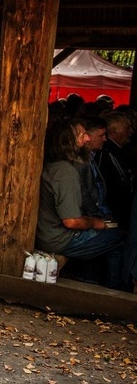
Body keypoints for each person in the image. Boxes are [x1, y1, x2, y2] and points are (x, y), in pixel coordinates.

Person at [37, 120, 125, 289]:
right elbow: (72, 221)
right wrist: (93, 222)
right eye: (82, 135)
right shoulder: (66, 172)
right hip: (58, 239)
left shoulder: (56, 164)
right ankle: (111, 292)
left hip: (48, 233)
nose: (87, 139)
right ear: (67, 141)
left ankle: (87, 278)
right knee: (119, 240)